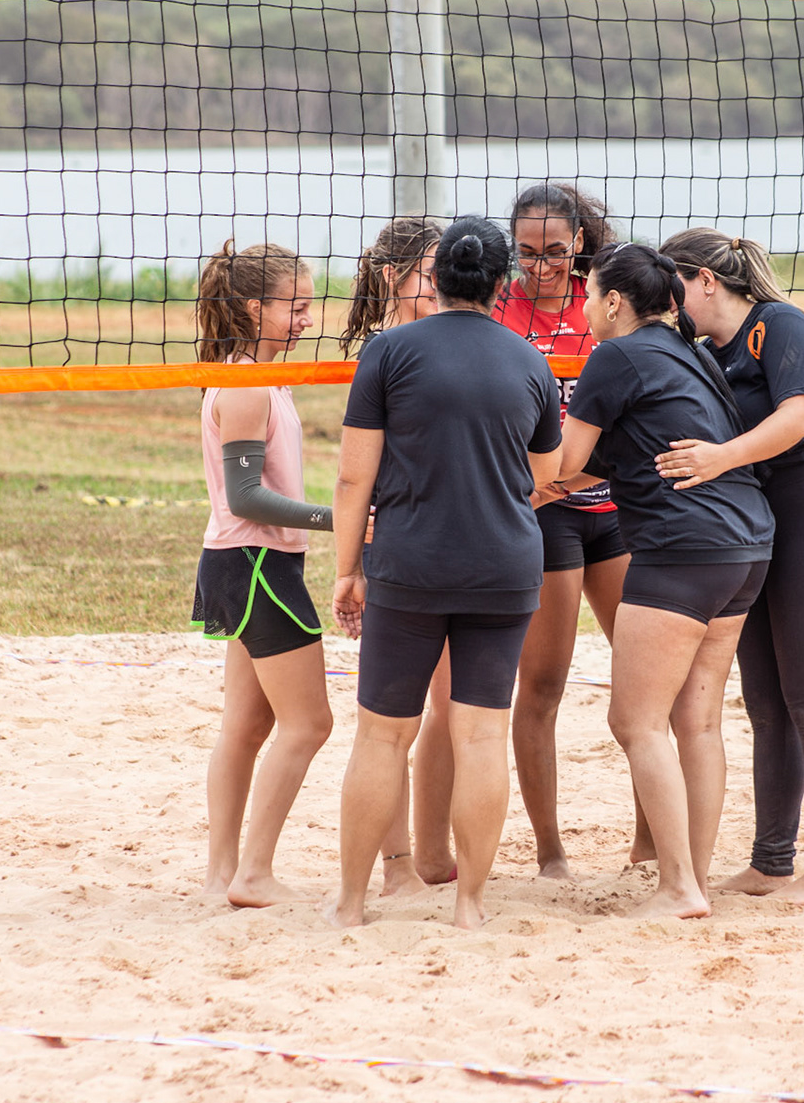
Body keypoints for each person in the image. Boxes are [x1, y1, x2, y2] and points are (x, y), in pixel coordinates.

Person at [325, 216, 562, 930]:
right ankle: (470, 906)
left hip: (410, 563)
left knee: (381, 737)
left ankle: (351, 904)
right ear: (501, 282)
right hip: (504, 567)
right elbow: (544, 474)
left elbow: (352, 478)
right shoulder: (531, 361)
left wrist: (347, 569)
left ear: (438, 277)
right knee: (481, 736)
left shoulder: (388, 352)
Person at [555, 241, 775, 919]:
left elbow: (562, 463)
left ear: (614, 302)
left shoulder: (614, 355)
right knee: (696, 721)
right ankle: (692, 883)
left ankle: (677, 888)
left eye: (588, 294)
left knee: (636, 721)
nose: (584, 306)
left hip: (684, 549)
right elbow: (616, 460)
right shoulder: (689, 351)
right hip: (747, 544)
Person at [655, 228, 804, 906]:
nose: (667, 302)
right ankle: (771, 861)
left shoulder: (779, 326)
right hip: (752, 527)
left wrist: (719, 458)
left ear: (705, 279)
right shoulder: (700, 350)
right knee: (767, 702)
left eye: (673, 286)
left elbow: (797, 419)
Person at [495, 182, 633, 879]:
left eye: (553, 251)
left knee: (643, 684)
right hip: (542, 515)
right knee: (542, 687)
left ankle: (648, 844)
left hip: (613, 510)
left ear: (579, 241)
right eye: (526, 252)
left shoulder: (606, 302)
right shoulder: (500, 309)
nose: (540, 266)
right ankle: (550, 853)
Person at [191, 241, 335, 908]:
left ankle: (223, 875)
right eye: (295, 307)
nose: (306, 319)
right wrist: (340, 519)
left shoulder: (259, 376)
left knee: (246, 729)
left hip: (244, 561)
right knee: (309, 725)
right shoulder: (246, 382)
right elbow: (246, 498)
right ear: (255, 308)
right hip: (254, 563)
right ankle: (251, 874)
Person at [341, 216, 459, 895]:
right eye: (429, 274)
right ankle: (396, 866)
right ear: (394, 277)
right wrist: (352, 563)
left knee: (450, 711)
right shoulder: (383, 352)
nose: (440, 285)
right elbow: (358, 474)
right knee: (391, 724)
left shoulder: (452, 336)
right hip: (398, 547)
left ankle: (433, 852)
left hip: (452, 545)